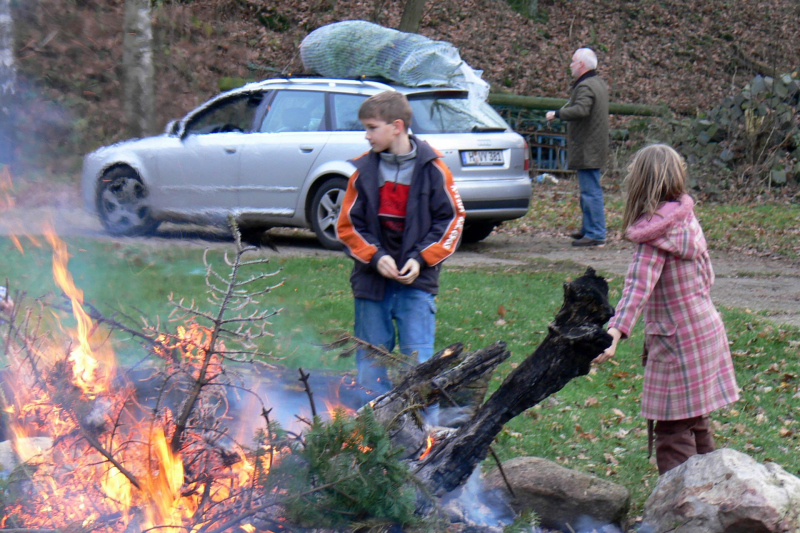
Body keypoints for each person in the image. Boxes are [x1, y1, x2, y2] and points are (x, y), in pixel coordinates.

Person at [594, 144, 739, 475]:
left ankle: (681, 512)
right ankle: (714, 494)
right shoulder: (684, 219)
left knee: (673, 431)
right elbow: (707, 276)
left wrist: (615, 332)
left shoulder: (654, 234)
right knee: (695, 418)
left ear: (639, 183)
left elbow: (637, 288)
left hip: (678, 344)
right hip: (706, 329)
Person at [336, 90, 465, 397]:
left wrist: (420, 259)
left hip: (417, 285)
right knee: (370, 363)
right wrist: (375, 256)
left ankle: (423, 439)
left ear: (396, 126)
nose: (366, 136)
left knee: (418, 366)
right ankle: (371, 436)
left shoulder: (434, 170)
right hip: (371, 284)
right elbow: (348, 226)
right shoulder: (363, 173)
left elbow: (452, 221)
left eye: (371, 127)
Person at [546, 47, 609, 247]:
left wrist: (557, 114)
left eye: (573, 62)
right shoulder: (597, 83)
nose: (571, 65)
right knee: (588, 190)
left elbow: (581, 110)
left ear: (581, 64)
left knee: (591, 191)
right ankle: (588, 229)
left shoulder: (586, 86)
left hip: (587, 147)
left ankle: (596, 233)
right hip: (593, 145)